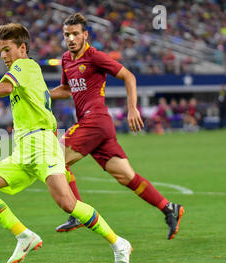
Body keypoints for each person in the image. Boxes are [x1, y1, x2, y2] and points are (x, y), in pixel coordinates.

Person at [0, 23, 132, 263]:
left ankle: (118, 243)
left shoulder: (25, 66)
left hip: (42, 144)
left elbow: (5, 87)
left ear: (23, 48)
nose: (3, 56)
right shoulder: (23, 72)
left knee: (67, 203)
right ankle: (24, 236)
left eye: (7, 49)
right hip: (23, 149)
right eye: (0, 51)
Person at [51, 13, 184, 240]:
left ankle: (76, 212)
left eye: (75, 34)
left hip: (95, 121)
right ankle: (168, 207)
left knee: (54, 159)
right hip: (96, 126)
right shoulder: (66, 59)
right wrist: (42, 94)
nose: (71, 38)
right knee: (126, 176)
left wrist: (132, 108)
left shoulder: (95, 56)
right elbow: (66, 90)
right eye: (67, 35)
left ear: (85, 35)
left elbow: (128, 76)